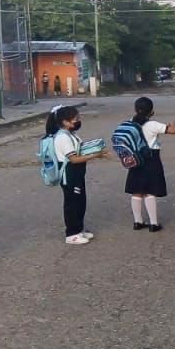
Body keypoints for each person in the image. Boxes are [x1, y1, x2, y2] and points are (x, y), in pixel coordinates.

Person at [49, 105, 108, 245]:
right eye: (75, 119)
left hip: (77, 174)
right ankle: (71, 233)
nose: (78, 121)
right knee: (72, 203)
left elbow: (80, 150)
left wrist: (94, 149)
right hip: (69, 175)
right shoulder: (62, 137)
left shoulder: (71, 134)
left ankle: (79, 228)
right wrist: (96, 155)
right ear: (65, 121)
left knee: (81, 202)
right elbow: (74, 159)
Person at [124, 96, 175, 233]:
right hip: (151, 158)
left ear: (136, 109)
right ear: (151, 111)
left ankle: (137, 221)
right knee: (150, 190)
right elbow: (173, 131)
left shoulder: (130, 123)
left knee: (136, 190)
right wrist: (173, 123)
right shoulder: (153, 125)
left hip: (135, 158)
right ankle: (153, 223)